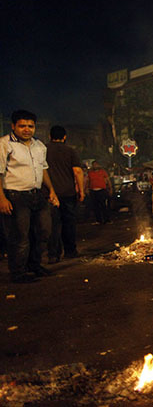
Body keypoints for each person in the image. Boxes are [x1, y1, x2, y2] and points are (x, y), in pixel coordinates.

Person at [0, 110, 60, 283]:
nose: (27, 129)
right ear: (13, 126)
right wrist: (2, 198)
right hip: (15, 196)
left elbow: (43, 169)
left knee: (44, 232)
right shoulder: (4, 144)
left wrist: (52, 190)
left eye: (30, 126)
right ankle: (18, 272)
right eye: (22, 126)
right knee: (19, 236)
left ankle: (35, 265)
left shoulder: (39, 146)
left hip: (37, 195)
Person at [46, 126, 84, 262]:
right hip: (68, 193)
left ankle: (53, 254)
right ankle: (70, 251)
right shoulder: (70, 151)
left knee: (52, 224)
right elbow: (78, 172)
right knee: (68, 223)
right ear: (64, 137)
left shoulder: (43, 150)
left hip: (49, 194)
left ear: (50, 136)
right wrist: (81, 191)